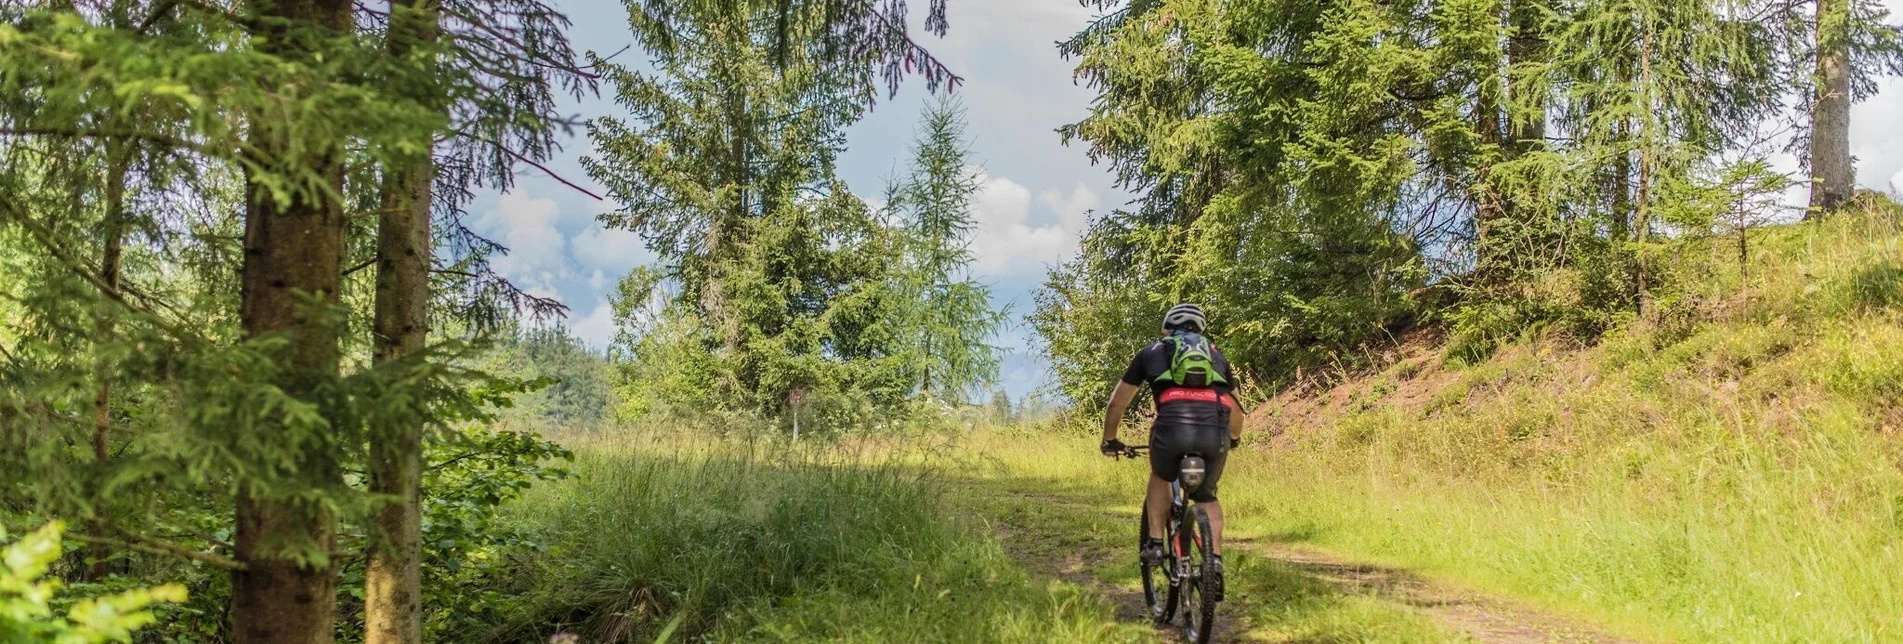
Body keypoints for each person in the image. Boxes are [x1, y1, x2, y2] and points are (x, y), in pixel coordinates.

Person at [1099, 303, 1242, 586]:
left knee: (1161, 475)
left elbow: (1118, 402)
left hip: (1172, 428)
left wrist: (1110, 439)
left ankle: (1154, 543)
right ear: (1201, 329)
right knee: (1207, 497)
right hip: (1215, 431)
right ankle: (1214, 563)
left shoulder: (1152, 352)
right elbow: (1236, 409)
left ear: (1167, 328)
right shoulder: (1216, 356)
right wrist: (1233, 438)